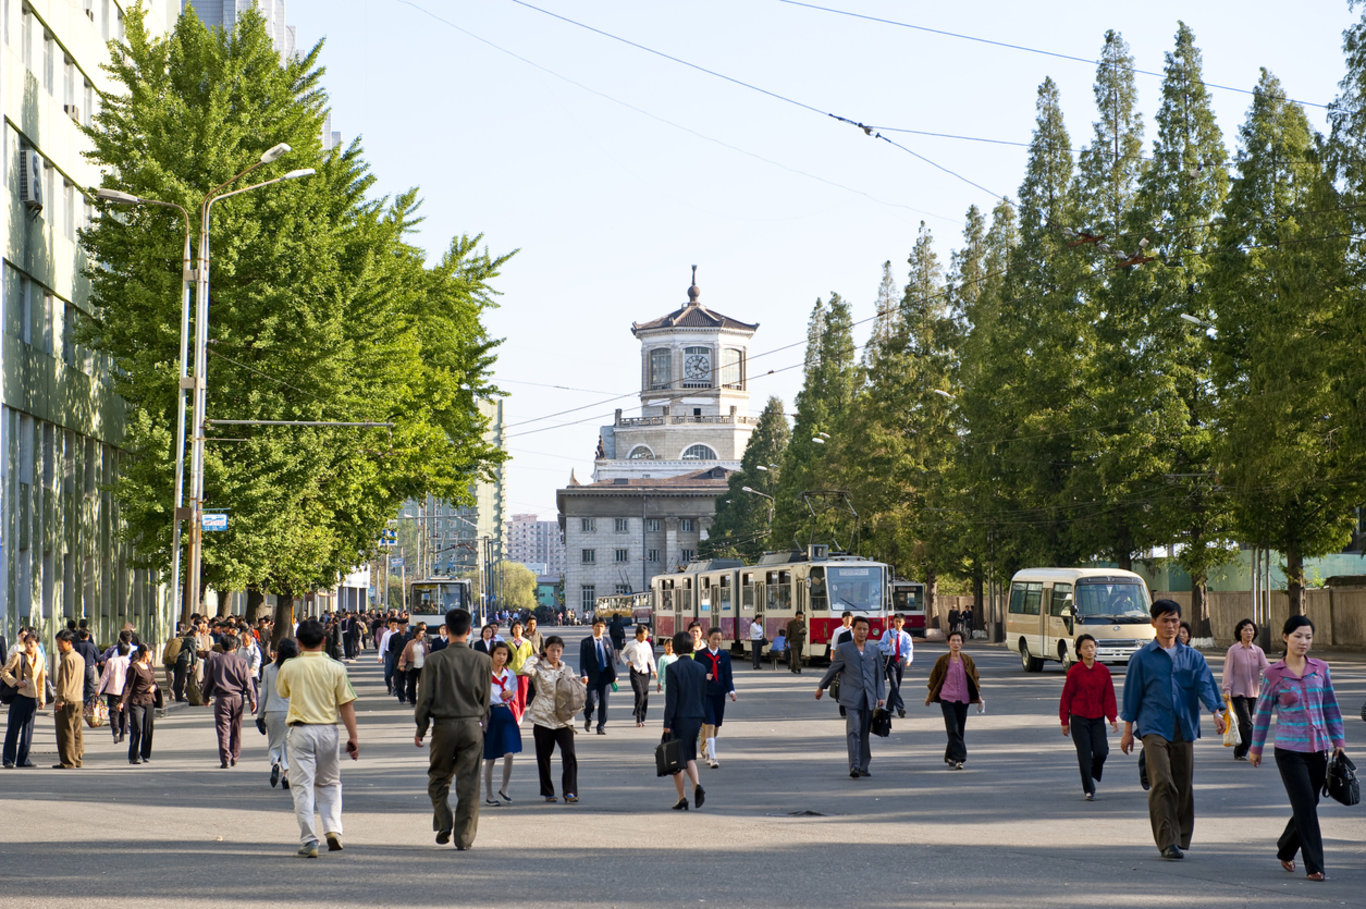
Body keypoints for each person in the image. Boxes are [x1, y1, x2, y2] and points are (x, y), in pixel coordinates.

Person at [1119, 599, 1225, 861]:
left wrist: (1216, 712)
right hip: (1153, 726)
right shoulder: (1142, 658)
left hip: (1184, 725)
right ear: (1153, 623)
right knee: (1163, 782)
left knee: (1182, 784)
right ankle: (1168, 842)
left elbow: (1205, 685)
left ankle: (1180, 837)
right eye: (1165, 620)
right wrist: (1127, 730)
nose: (1170, 625)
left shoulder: (1193, 657)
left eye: (1175, 620)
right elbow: (1132, 695)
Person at [1248, 615, 1346, 882]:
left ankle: (1286, 847)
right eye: (1298, 636)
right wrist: (1255, 749)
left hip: (1318, 749)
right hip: (1289, 751)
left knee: (1309, 803)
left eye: (1308, 637)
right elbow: (1264, 713)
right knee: (1304, 805)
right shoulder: (1273, 674)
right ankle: (1315, 865)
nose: (1303, 642)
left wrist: (1338, 741)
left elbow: (1330, 707)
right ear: (1285, 637)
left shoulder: (1320, 669)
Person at [277, 619, 359, 858]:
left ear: (298, 642)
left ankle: (309, 839)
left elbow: (283, 692)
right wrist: (353, 737)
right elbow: (346, 704)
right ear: (324, 641)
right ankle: (333, 830)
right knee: (330, 783)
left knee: (302, 787)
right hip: (328, 731)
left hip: (301, 730)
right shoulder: (336, 668)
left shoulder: (290, 667)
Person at [414, 608, 491, 850]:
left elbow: (424, 698)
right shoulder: (483, 660)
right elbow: (486, 699)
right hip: (472, 725)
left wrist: (421, 728)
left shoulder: (434, 660)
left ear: (445, 630)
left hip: (443, 727)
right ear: (469, 631)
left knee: (438, 778)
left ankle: (444, 819)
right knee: (470, 783)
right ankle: (464, 837)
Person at [817, 616, 885, 778]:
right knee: (853, 730)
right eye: (859, 629)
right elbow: (833, 670)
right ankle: (854, 766)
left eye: (865, 629)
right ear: (852, 630)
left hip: (869, 697)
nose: (862, 632)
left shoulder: (874, 650)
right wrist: (821, 687)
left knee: (864, 733)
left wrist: (881, 696)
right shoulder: (844, 649)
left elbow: (879, 675)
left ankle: (863, 765)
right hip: (851, 698)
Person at [519, 635, 579, 803]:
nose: (555, 653)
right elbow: (524, 669)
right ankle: (548, 791)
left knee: (569, 754)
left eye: (558, 650)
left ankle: (570, 791)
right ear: (546, 650)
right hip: (543, 718)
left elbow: (574, 690)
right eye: (552, 649)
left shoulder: (566, 670)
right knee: (544, 757)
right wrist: (534, 657)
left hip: (564, 719)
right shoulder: (538, 668)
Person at [1059, 634, 1117, 800]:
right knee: (1084, 754)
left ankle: (1093, 772)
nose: (1090, 650)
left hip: (1097, 718)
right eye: (1086, 647)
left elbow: (1109, 697)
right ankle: (1089, 789)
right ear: (1079, 651)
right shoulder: (1074, 672)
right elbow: (1066, 698)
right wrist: (1064, 721)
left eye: (1092, 646)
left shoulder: (1103, 671)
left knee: (1101, 751)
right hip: (1079, 719)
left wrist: (1112, 718)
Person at [925, 630, 983, 771]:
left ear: (962, 643)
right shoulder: (942, 660)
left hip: (963, 699)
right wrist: (930, 695)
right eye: (953, 641)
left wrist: (978, 695)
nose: (956, 643)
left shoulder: (968, 660)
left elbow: (975, 679)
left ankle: (950, 756)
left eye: (958, 641)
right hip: (947, 698)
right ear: (948, 643)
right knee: (952, 728)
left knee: (959, 729)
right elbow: (934, 679)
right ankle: (960, 759)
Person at [663, 631, 708, 810]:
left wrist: (667, 723)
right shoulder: (700, 668)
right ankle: (696, 784)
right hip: (696, 716)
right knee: (689, 753)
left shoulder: (672, 669)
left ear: (675, 647)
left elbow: (671, 700)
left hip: (679, 718)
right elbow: (702, 695)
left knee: (676, 758)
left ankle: (681, 797)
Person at [201, 633, 257, 768]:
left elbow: (208, 681)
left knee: (223, 729)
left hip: (222, 699)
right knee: (236, 728)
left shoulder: (215, 661)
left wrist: (205, 697)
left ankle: (225, 757)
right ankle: (235, 756)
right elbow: (248, 683)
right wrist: (252, 699)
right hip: (237, 698)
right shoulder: (241, 662)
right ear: (235, 647)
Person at [1223, 618, 1269, 762]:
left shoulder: (1258, 651)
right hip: (1237, 692)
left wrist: (1280, 672)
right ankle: (1255, 749)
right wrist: (1227, 689)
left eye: (1251, 630)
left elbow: (1266, 667)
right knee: (1247, 723)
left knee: (1245, 723)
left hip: (1253, 692)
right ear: (1240, 632)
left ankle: (1239, 752)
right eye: (1245, 630)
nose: (1248, 632)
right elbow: (1228, 671)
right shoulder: (1234, 650)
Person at [482, 641, 522, 808]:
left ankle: (504, 788)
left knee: (509, 754)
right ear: (492, 654)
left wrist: (511, 694)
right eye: (498, 653)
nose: (501, 657)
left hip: (505, 713)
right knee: (490, 758)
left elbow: (513, 695)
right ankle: (489, 794)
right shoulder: (484, 673)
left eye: (504, 654)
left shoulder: (510, 674)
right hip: (490, 715)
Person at [257, 637, 298, 790]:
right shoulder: (297, 669)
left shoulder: (268, 669)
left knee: (274, 743)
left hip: (272, 710)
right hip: (291, 711)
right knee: (288, 744)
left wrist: (260, 716)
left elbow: (264, 694)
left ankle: (274, 762)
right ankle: (286, 774)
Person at [1, 631, 46, 768]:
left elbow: (41, 680)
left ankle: (23, 759)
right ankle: (8, 759)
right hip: (19, 696)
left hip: (32, 698)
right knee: (13, 728)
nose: (28, 645)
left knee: (28, 730)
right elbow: (4, 672)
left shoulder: (41, 658)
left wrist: (42, 698)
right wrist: (15, 682)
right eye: (26, 643)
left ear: (37, 644)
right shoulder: (18, 656)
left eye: (31, 643)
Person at [696, 628, 737, 768]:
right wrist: (703, 676)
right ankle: (713, 757)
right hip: (706, 693)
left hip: (720, 693)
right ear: (708, 638)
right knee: (710, 722)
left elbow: (728, 675)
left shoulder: (724, 655)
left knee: (717, 725)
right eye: (714, 638)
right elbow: (695, 673)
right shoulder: (700, 655)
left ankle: (708, 748)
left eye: (719, 639)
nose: (716, 642)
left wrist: (731, 690)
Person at [119, 644, 159, 764]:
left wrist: (154, 687)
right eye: (151, 653)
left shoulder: (150, 667)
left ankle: (145, 754)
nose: (151, 655)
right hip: (136, 701)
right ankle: (133, 756)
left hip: (149, 700)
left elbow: (154, 682)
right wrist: (122, 701)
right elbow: (128, 686)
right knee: (137, 729)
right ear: (146, 653)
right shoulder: (134, 668)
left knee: (148, 729)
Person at [51, 630, 85, 769]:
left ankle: (67, 761)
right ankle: (77, 758)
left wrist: (60, 699)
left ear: (68, 642)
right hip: (78, 698)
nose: (58, 646)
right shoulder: (79, 657)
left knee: (65, 731)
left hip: (67, 698)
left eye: (60, 643)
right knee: (77, 731)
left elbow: (63, 681)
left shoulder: (67, 658)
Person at [579, 619, 618, 734]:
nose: (599, 629)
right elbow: (583, 661)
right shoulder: (586, 642)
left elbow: (612, 659)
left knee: (604, 702)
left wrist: (614, 675)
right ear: (592, 627)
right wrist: (584, 674)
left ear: (604, 628)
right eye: (597, 626)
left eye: (601, 626)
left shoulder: (608, 641)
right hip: (592, 676)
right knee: (590, 700)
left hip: (605, 676)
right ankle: (588, 717)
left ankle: (601, 726)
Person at [878, 614, 914, 718]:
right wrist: (888, 645)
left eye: (900, 621)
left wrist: (909, 660)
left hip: (901, 660)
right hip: (890, 660)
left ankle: (889, 708)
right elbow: (880, 646)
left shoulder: (906, 636)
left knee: (897, 686)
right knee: (894, 684)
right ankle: (900, 708)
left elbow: (909, 649)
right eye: (896, 621)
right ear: (893, 622)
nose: (898, 623)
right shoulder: (887, 633)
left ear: (903, 623)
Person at [621, 625, 657, 727]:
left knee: (645, 696)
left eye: (646, 634)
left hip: (645, 671)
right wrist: (627, 662)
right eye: (643, 634)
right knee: (639, 693)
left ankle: (642, 717)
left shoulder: (647, 644)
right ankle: (637, 714)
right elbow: (622, 654)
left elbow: (651, 658)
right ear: (638, 634)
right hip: (635, 671)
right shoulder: (631, 644)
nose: (645, 637)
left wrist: (654, 670)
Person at [98, 642, 132, 745]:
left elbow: (105, 677)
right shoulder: (130, 662)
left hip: (113, 690)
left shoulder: (111, 661)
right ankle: (122, 734)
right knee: (124, 714)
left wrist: (98, 689)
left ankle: (115, 729)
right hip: (125, 692)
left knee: (113, 712)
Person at [398, 623, 430, 706]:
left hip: (422, 666)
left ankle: (421, 700)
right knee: (411, 684)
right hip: (412, 666)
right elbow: (404, 654)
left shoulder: (424, 644)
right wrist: (401, 664)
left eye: (423, 634)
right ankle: (412, 700)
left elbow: (428, 655)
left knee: (422, 685)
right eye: (421, 634)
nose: (422, 635)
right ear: (416, 634)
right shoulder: (410, 643)